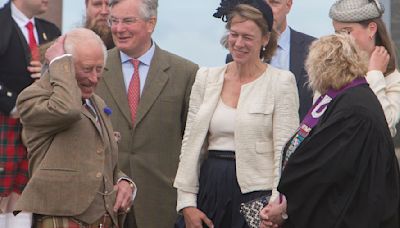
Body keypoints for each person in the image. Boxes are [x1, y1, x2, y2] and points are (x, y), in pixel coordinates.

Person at [174, 0, 299, 227]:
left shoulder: (281, 82)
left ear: (265, 39)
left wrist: (275, 205)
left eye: (248, 37)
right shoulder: (207, 78)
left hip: (257, 197)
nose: (239, 43)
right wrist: (186, 203)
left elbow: (286, 152)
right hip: (210, 187)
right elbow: (190, 144)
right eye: (234, 34)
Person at [260, 33, 400, 228]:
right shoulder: (349, 98)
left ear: (320, 68)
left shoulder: (352, 110)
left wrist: (286, 209)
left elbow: (320, 169)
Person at [14, 28, 135, 228]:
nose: (95, 78)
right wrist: (59, 63)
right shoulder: (33, 97)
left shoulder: (97, 102)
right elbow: (67, 110)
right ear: (64, 65)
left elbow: (101, 163)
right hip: (60, 220)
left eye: (99, 69)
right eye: (87, 69)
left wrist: (124, 182)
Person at [95, 0, 199, 227]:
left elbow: (194, 144)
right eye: (114, 21)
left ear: (151, 23)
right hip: (103, 203)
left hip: (162, 205)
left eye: (128, 21)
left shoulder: (186, 73)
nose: (118, 28)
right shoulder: (95, 68)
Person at [0, 0, 60, 227]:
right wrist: (13, 105)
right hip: (6, 121)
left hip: (38, 129)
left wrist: (48, 72)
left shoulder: (51, 32)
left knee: (25, 198)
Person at [226, 0, 315, 121]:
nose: (266, 10)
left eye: (274, 3)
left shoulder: (313, 49)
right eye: (261, 3)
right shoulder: (237, 56)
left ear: (288, 5)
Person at [329, 0, 400, 137]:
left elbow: (386, 124)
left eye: (347, 32)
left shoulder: (393, 78)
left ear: (371, 29)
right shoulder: (330, 72)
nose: (340, 39)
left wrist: (375, 74)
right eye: (337, 33)